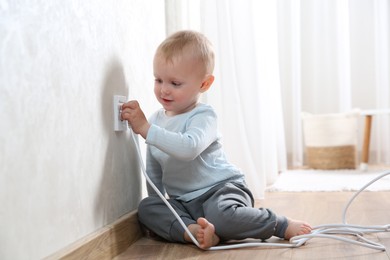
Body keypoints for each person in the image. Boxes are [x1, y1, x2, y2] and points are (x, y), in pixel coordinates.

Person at [121, 30, 312, 249]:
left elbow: (189, 148)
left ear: (204, 84)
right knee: (147, 207)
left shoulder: (204, 116)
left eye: (175, 83)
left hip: (221, 192)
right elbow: (154, 171)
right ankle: (196, 232)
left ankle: (279, 225)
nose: (164, 89)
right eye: (159, 80)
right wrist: (162, 205)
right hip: (185, 203)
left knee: (222, 216)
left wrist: (146, 129)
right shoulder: (155, 121)